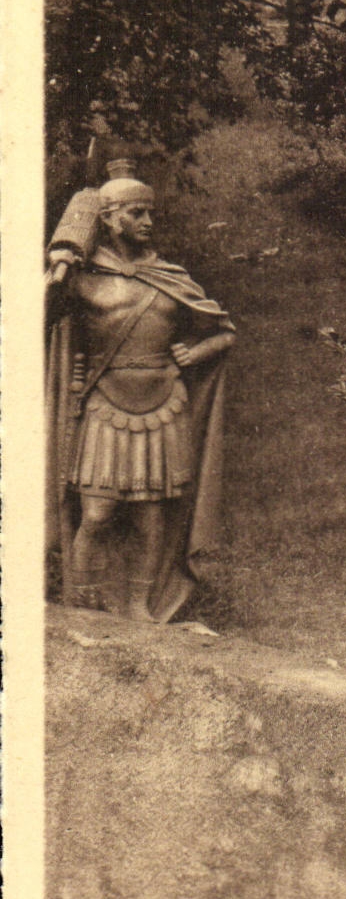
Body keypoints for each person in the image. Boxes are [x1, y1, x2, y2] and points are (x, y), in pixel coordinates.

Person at [46, 160, 236, 622]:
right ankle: (83, 602)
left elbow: (224, 332)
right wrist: (60, 261)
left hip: (163, 406)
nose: (147, 221)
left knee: (152, 517)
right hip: (103, 405)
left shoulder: (170, 278)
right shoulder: (84, 279)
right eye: (136, 213)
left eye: (149, 212)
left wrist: (197, 351)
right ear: (109, 219)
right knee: (97, 513)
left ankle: (139, 604)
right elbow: (40, 318)